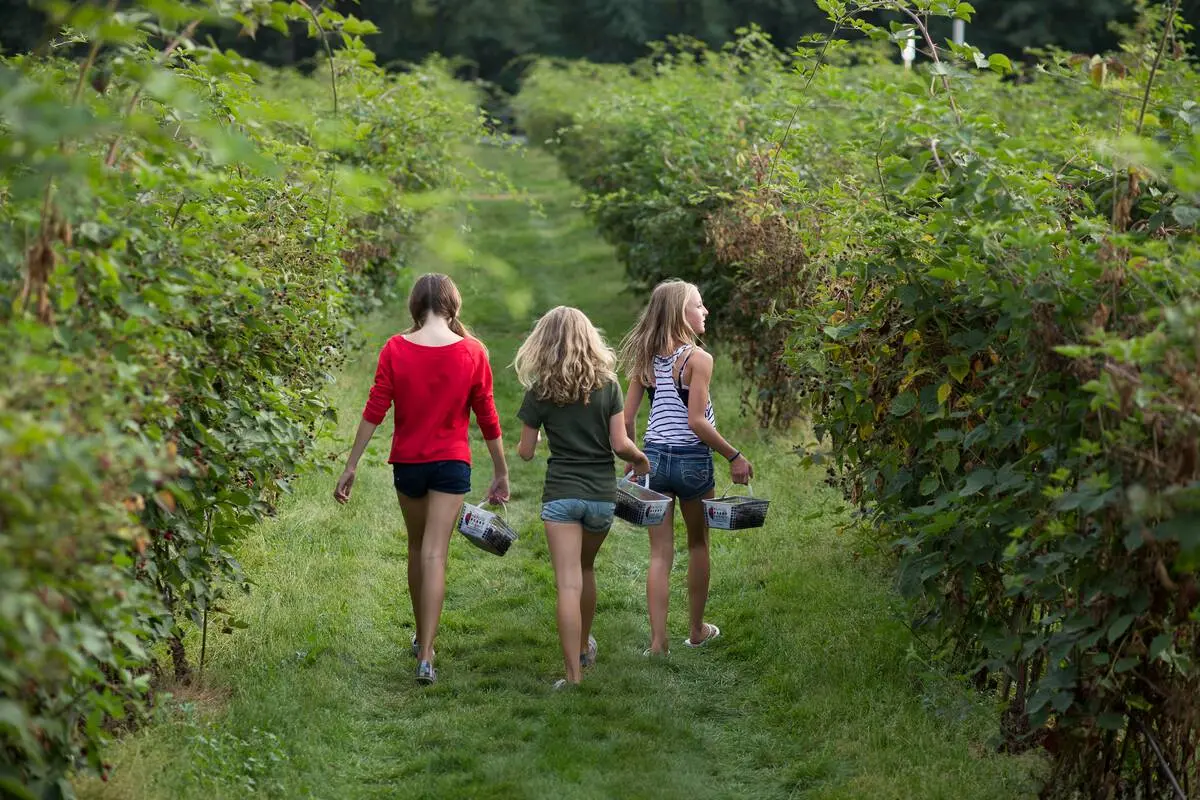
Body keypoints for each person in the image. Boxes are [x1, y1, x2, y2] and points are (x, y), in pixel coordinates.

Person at [334, 273, 509, 686]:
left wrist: (351, 464)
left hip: (408, 465)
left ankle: (421, 637)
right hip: (451, 465)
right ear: (453, 304)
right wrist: (500, 470)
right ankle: (427, 652)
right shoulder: (473, 351)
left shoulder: (396, 348)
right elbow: (487, 414)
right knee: (435, 553)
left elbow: (375, 406)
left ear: (416, 304)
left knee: (417, 549)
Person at [514, 306, 650, 688]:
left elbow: (525, 452)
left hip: (561, 495)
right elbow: (620, 444)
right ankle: (585, 648)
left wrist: (538, 434)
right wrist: (640, 460)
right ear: (590, 338)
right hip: (601, 497)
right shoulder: (608, 386)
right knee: (586, 570)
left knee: (567, 583)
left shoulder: (540, 390)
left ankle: (572, 676)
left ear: (544, 343)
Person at [618, 279, 753, 657]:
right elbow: (697, 421)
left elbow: (627, 419)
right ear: (682, 313)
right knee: (698, 543)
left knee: (660, 553)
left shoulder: (644, 358)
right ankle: (695, 630)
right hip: (693, 461)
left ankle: (658, 643)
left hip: (655, 460)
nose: (705, 311)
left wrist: (633, 459)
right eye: (699, 304)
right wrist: (734, 455)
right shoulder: (697, 359)